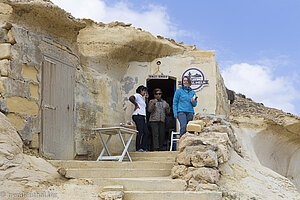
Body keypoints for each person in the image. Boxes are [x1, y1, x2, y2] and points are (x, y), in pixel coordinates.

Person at [129, 85, 149, 152]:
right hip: (138, 115)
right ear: (140, 90)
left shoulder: (141, 98)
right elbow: (131, 98)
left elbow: (146, 107)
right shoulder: (137, 95)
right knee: (140, 132)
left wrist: (146, 99)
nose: (145, 92)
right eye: (144, 91)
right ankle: (138, 148)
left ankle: (142, 148)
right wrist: (136, 104)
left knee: (146, 132)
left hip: (142, 116)